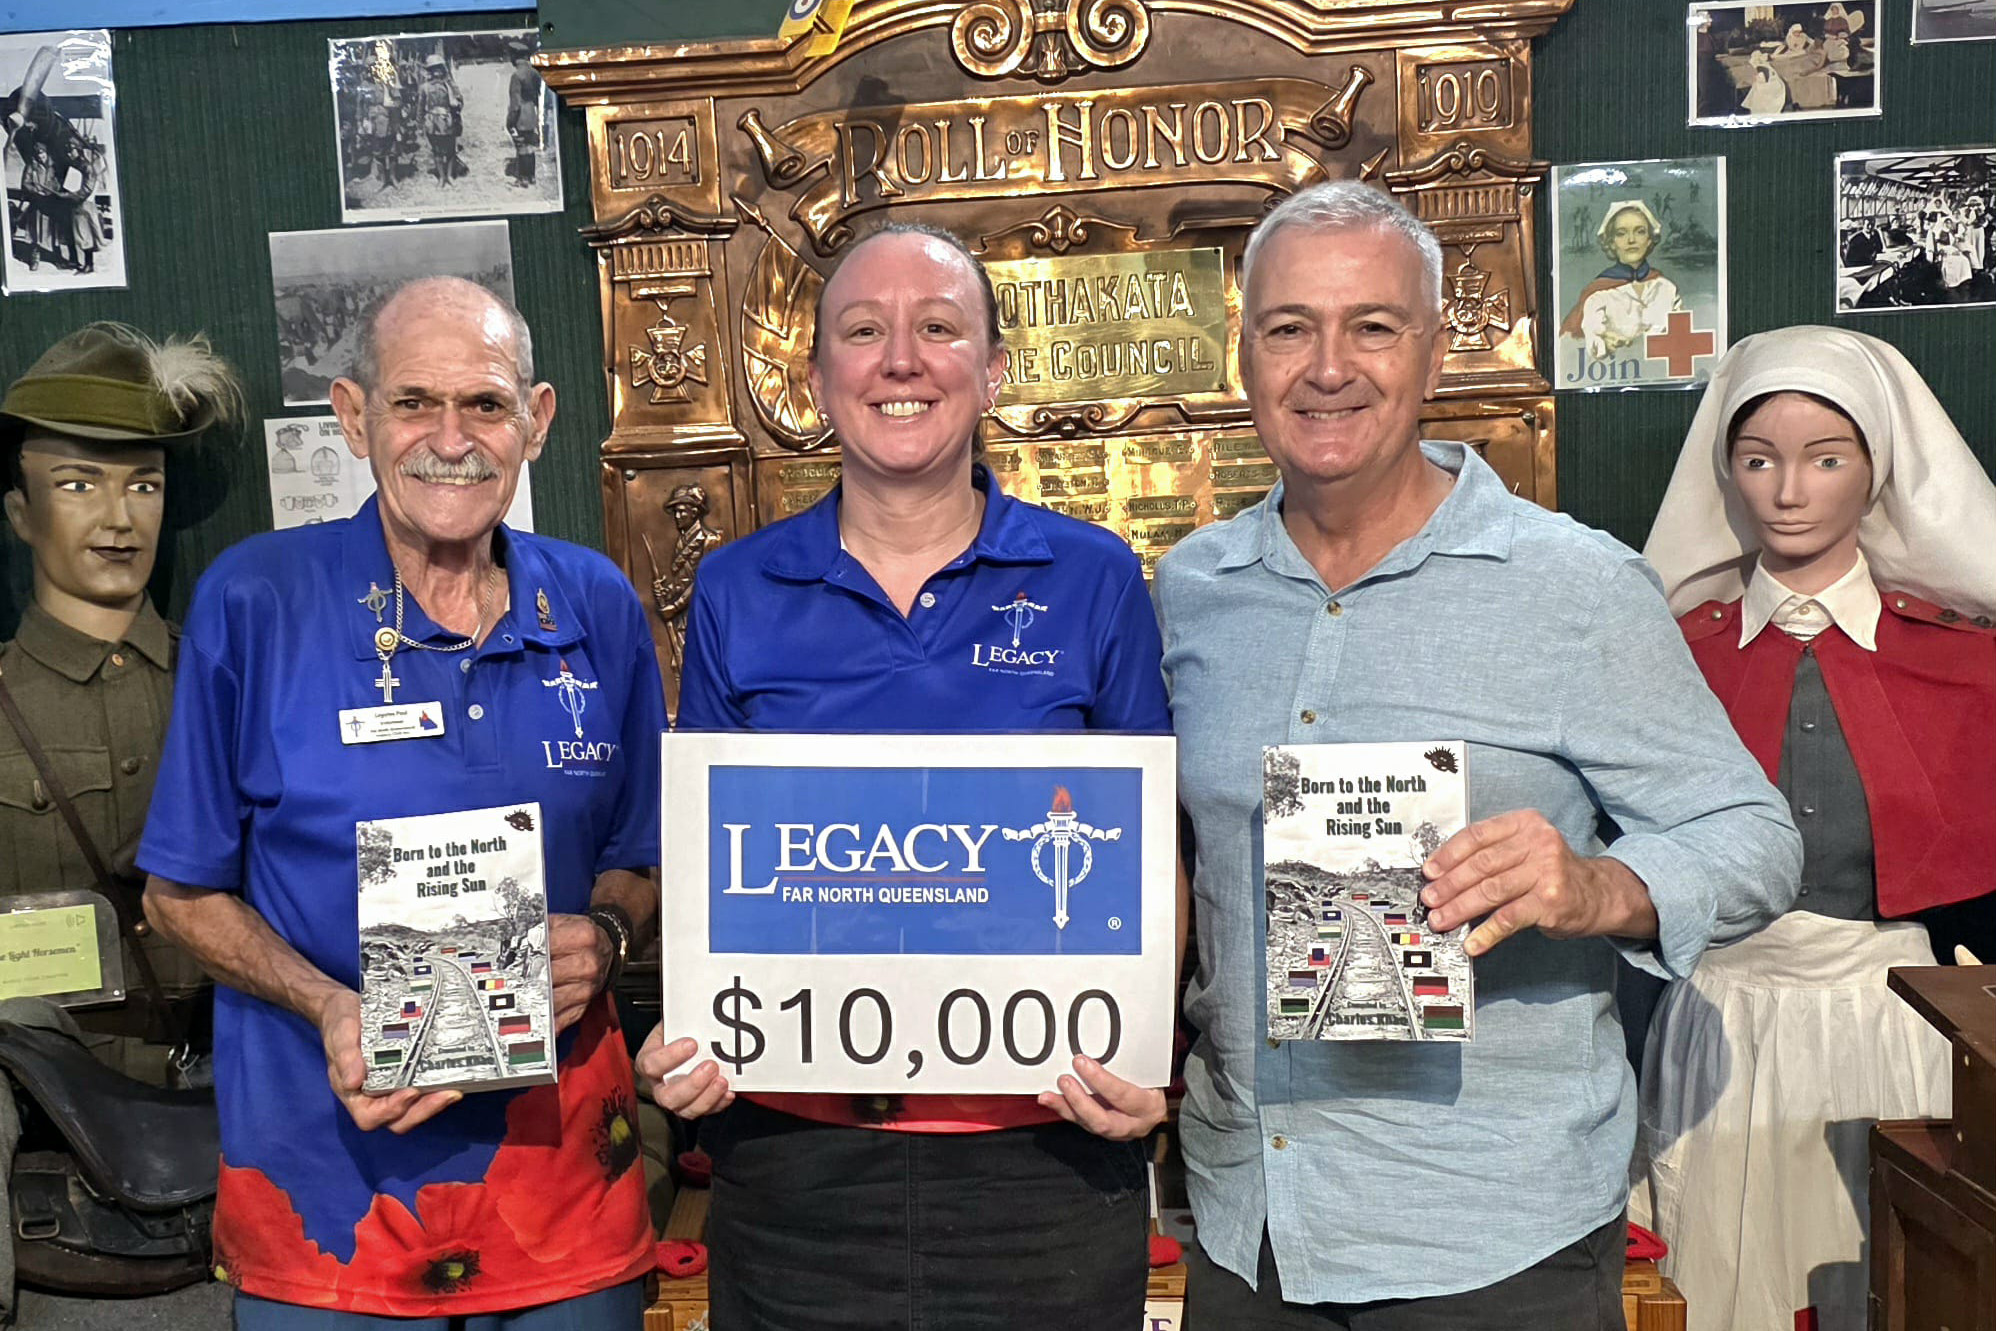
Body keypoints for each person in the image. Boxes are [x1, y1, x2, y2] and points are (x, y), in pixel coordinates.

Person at [1154, 180, 1800, 1328]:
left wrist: (1598, 884)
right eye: (1289, 326)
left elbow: (1752, 837)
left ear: (1436, 352)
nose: (1327, 366)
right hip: (1250, 1223)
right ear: (1241, 354)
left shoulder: (1574, 585)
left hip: (1495, 1233)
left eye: (1373, 327)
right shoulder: (1191, 589)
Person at [635, 223, 1172, 1329]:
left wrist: (1142, 1047)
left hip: (1045, 1168)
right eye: (863, 331)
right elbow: (711, 870)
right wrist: (690, 1032)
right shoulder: (737, 588)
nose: (900, 360)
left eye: (938, 329)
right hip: (797, 1169)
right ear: (820, 373)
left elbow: (1150, 844)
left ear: (993, 369)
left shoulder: (1092, 577)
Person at [137, 277, 662, 1325]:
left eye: (486, 403)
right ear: (353, 415)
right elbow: (177, 893)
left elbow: (644, 854)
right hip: (327, 1190)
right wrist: (329, 1004)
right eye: (415, 401)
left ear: (538, 419)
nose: (451, 439)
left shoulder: (595, 601)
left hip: (565, 1192)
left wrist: (604, 931)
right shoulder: (256, 600)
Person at [1639, 327, 1996, 1331]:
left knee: (1888, 1284)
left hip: (1892, 1024)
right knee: (1714, 1284)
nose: (1788, 490)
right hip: (1718, 1024)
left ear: (1876, 471)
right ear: (1726, 473)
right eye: (1758, 459)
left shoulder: (1967, 664)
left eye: (1824, 457)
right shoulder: (1668, 660)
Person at [1, 323, 241, 1085]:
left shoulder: (227, 682)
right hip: (43, 1104)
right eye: (78, 484)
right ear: (20, 514)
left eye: (144, 484)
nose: (118, 517)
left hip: (233, 1092)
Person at [1559, 201, 1681, 363]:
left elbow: (1681, 338)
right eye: (1621, 233)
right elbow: (1591, 341)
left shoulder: (1667, 289)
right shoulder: (1598, 296)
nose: (1631, 240)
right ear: (1610, 242)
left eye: (1640, 232)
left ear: (1650, 239)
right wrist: (1603, 341)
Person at [418, 54, 460, 188]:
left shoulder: (450, 86)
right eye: (433, 69)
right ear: (429, 72)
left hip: (448, 120)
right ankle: (441, 177)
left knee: (451, 150)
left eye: (439, 69)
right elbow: (420, 107)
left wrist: (456, 103)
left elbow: (460, 101)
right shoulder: (424, 87)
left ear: (443, 70)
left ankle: (449, 176)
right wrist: (420, 124)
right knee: (437, 151)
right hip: (432, 122)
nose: (436, 73)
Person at [504, 40, 539, 189]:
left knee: (521, 147)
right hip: (532, 113)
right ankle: (531, 177)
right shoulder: (534, 72)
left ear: (514, 57)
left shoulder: (516, 76)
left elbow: (515, 103)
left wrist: (510, 121)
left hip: (521, 116)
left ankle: (522, 179)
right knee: (530, 147)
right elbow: (538, 96)